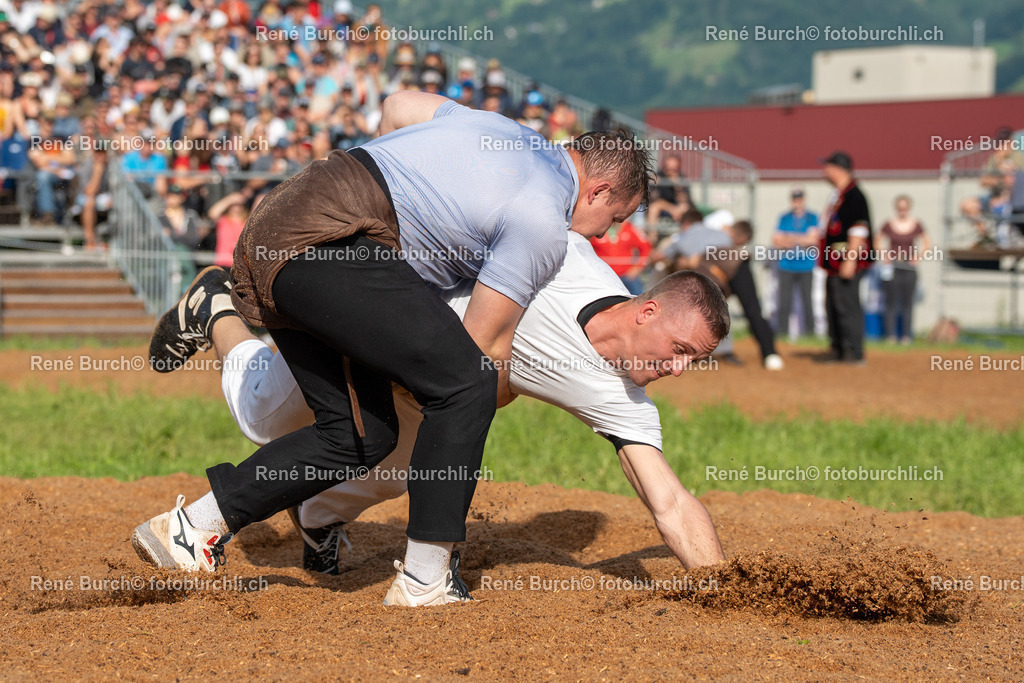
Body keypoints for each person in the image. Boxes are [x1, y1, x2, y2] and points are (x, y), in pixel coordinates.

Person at [134, 92, 651, 607]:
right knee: (469, 382)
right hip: (332, 240)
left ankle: (190, 528)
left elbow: (400, 102)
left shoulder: (499, 128)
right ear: (599, 189)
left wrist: (387, 178)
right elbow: (480, 346)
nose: (608, 233)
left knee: (362, 434)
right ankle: (427, 578)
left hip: (295, 216)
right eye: (616, 217)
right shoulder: (542, 220)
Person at [155, 233, 729, 590]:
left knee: (402, 474)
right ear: (647, 311)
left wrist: (718, 587)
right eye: (681, 352)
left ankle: (316, 519)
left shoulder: (622, 396)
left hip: (434, 393)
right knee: (264, 419)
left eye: (694, 361)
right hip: (376, 330)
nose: (681, 370)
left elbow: (671, 502)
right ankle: (217, 310)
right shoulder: (563, 256)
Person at [818, 151, 873, 365]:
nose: (824, 171)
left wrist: (850, 259)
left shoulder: (853, 195)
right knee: (832, 304)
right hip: (834, 262)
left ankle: (853, 351)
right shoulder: (838, 195)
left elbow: (859, 229)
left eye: (827, 166)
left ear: (837, 169)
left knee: (846, 305)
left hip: (847, 261)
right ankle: (838, 348)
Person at [875, 195, 931, 344]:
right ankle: (890, 335)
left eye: (904, 208)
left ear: (909, 208)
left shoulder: (916, 224)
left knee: (908, 303)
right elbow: (877, 241)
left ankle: (906, 335)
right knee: (891, 303)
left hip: (908, 268)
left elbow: (927, 243)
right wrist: (884, 255)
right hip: (892, 266)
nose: (902, 211)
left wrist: (918, 257)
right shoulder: (888, 224)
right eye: (900, 208)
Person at [772, 187, 819, 339]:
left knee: (807, 301)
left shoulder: (812, 217)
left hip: (806, 265)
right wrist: (802, 238)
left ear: (803, 200)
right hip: (786, 265)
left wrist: (789, 237)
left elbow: (813, 240)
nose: (796, 202)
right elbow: (777, 240)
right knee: (784, 301)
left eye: (799, 199)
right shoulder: (784, 218)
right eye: (794, 199)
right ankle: (782, 333)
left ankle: (810, 333)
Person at [589, 219, 651, 295]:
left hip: (627, 275)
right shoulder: (596, 230)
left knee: (638, 297)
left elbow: (646, 247)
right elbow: (587, 249)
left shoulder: (630, 228)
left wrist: (638, 267)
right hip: (604, 275)